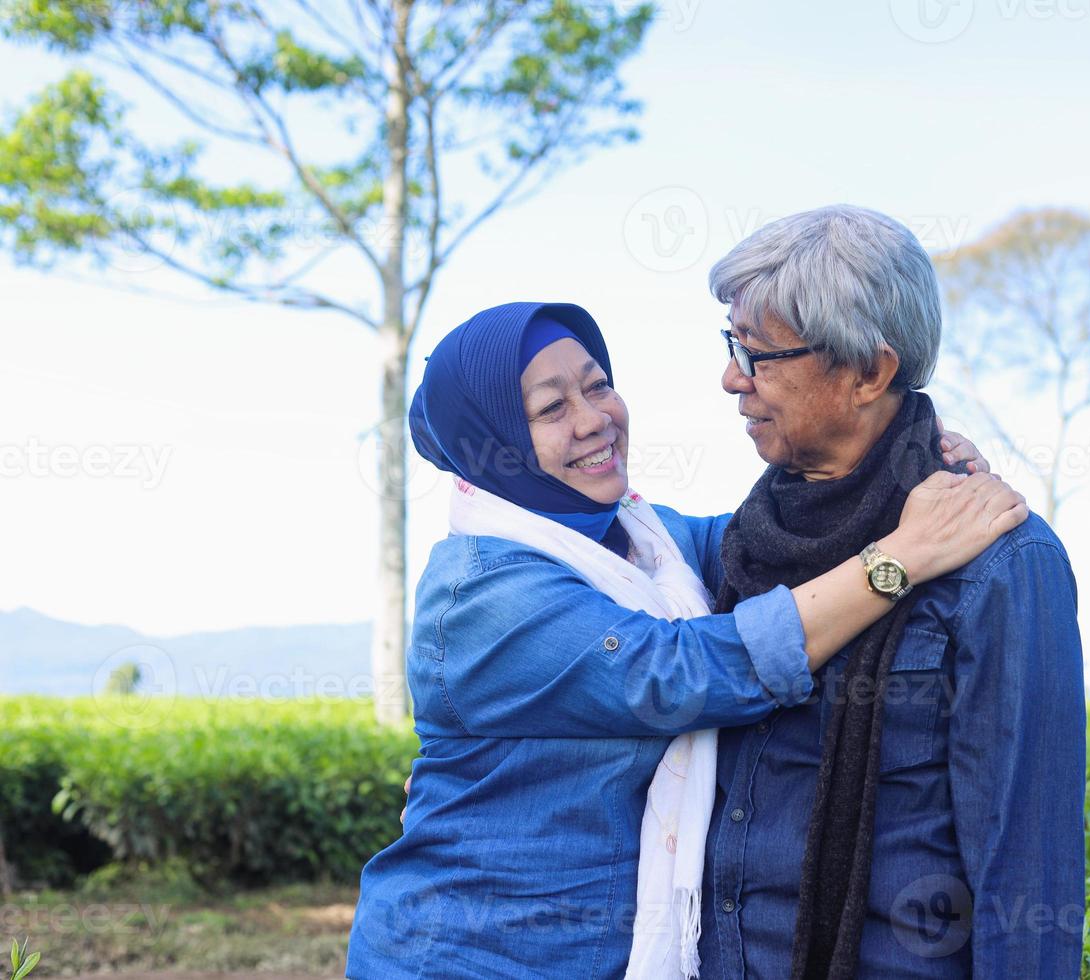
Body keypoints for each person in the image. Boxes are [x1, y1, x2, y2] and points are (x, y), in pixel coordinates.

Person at [345, 301, 1027, 979]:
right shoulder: (484, 595)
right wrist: (901, 558)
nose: (593, 420)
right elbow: (682, 672)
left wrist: (913, 464)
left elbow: (773, 544)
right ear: (489, 443)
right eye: (551, 410)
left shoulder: (640, 537)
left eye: (597, 385)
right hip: (466, 957)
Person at [694, 205, 1087, 979]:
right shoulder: (732, 546)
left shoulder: (1003, 564)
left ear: (871, 372)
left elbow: (1026, 873)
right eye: (731, 344)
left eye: (760, 353)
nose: (732, 377)